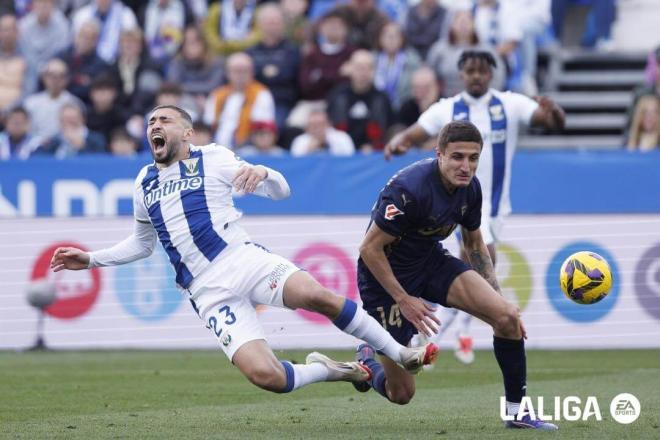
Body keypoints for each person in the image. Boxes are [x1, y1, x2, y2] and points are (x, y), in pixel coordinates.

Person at [49, 104, 438, 395]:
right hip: (206, 291)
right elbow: (143, 242)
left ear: (187, 133)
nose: (155, 125)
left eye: (164, 120)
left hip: (241, 259)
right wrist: (92, 259)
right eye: (151, 122)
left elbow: (282, 190)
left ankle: (400, 354)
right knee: (268, 377)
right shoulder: (143, 182)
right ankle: (338, 370)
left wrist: (265, 174)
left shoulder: (214, 157)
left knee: (316, 295)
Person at [354, 120, 557, 430]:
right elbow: (369, 249)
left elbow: (475, 244)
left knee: (506, 317)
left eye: (473, 158)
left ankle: (517, 413)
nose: (466, 166)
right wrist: (403, 298)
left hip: (429, 262)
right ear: (439, 155)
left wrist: (498, 301)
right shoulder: (409, 190)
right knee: (402, 393)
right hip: (384, 281)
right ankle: (368, 356)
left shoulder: (470, 189)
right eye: (458, 157)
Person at [384, 50, 565, 363]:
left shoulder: (509, 103)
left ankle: (441, 332)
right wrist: (398, 142)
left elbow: (550, 122)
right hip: (453, 206)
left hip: (494, 207)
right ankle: (450, 333)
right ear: (461, 74)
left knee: (469, 270)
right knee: (479, 262)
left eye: (482, 70)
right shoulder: (447, 108)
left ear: (491, 74)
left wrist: (554, 112)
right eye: (470, 70)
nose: (477, 76)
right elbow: (416, 132)